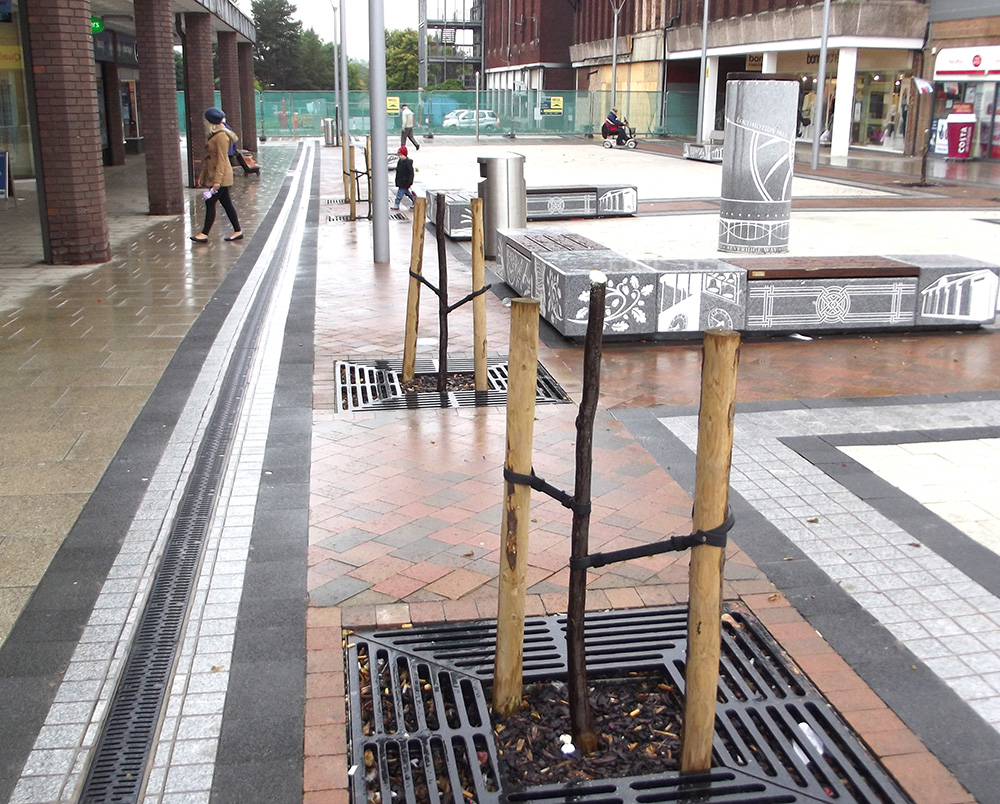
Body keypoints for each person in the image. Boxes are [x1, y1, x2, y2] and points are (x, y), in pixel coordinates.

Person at [191, 107, 243, 243]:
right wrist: (202, 176)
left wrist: (217, 181)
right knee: (226, 203)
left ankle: (204, 233)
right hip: (216, 174)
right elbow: (209, 158)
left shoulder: (221, 136)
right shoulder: (214, 134)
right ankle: (238, 231)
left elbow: (222, 159)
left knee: (210, 201)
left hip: (221, 176)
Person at [391, 145, 417, 211]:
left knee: (399, 195)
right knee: (408, 193)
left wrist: (409, 181)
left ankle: (396, 204)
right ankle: (415, 200)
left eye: (401, 155)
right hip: (402, 182)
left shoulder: (407, 163)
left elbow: (411, 173)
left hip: (405, 182)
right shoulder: (400, 162)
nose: (400, 156)